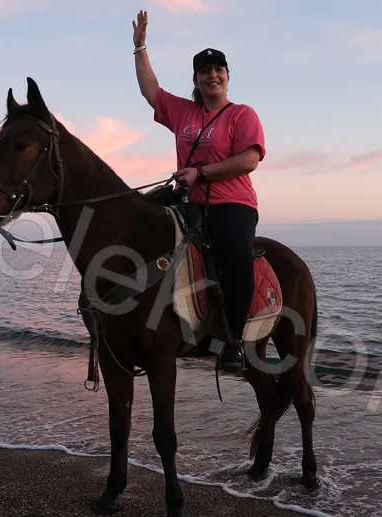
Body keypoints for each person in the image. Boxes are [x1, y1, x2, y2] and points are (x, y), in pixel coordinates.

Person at [132, 10, 266, 370]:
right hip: (187, 199)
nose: (212, 75)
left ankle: (233, 338)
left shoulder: (242, 115)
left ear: (227, 76)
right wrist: (140, 47)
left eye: (218, 69)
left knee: (233, 254)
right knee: (137, 222)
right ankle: (143, 325)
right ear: (196, 79)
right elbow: (150, 90)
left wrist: (201, 173)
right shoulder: (184, 112)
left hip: (231, 203)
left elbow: (249, 160)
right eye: (205, 71)